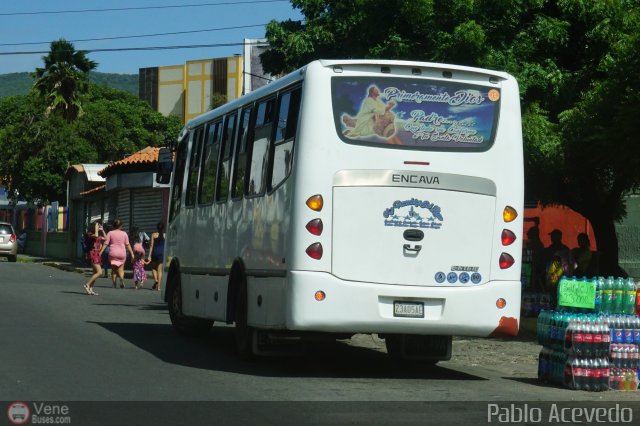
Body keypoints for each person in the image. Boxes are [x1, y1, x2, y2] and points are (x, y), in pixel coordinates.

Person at [99, 218, 134, 289]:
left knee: (114, 269)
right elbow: (128, 244)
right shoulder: (124, 233)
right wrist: (132, 253)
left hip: (113, 253)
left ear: (113, 226)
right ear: (121, 226)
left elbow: (106, 243)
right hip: (122, 253)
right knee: (121, 269)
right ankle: (121, 278)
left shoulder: (110, 233)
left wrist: (100, 252)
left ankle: (114, 284)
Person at [83, 221, 106, 296]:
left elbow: (106, 238)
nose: (98, 226)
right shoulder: (90, 234)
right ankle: (87, 285)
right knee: (100, 272)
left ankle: (90, 289)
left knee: (94, 273)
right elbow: (96, 235)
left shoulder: (97, 234)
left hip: (97, 254)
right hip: (93, 254)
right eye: (97, 225)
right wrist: (96, 227)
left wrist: (102, 230)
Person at [147, 222, 166, 291]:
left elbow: (151, 245)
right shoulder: (165, 235)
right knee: (159, 270)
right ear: (163, 228)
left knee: (153, 268)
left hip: (155, 252)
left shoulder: (153, 235)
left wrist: (149, 255)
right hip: (162, 253)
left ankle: (156, 280)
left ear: (157, 228)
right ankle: (159, 287)